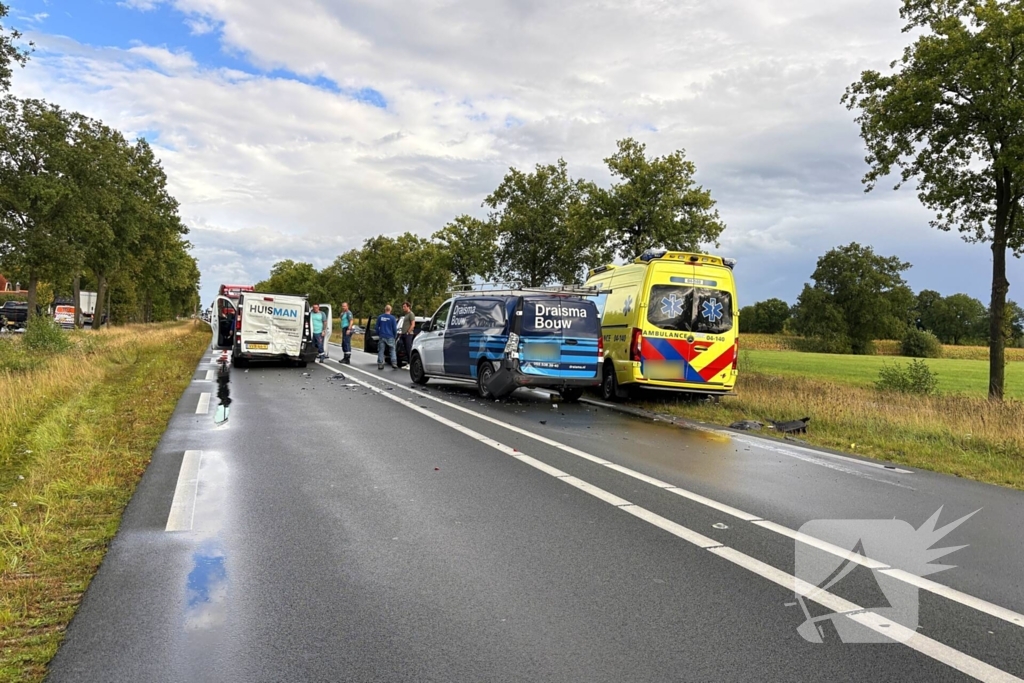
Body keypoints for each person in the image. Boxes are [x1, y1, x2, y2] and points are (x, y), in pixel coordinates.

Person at [375, 304, 398, 370]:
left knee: (381, 350)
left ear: (385, 309)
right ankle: (394, 363)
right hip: (390, 336)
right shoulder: (392, 318)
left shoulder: (380, 317)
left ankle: (380, 364)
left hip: (382, 336)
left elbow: (376, 327)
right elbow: (394, 329)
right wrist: (394, 336)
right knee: (392, 350)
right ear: (390, 310)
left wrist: (379, 333)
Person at [399, 301, 416, 367]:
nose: (403, 308)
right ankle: (407, 363)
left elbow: (413, 324)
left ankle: (411, 364)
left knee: (409, 349)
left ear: (408, 307)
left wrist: (408, 332)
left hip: (408, 334)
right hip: (403, 334)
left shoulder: (411, 314)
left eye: (404, 307)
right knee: (405, 349)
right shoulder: (406, 315)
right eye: (403, 307)